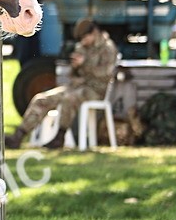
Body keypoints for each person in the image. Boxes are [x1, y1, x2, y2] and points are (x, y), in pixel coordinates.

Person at [7, 18, 118, 149]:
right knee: (41, 99)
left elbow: (105, 74)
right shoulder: (82, 47)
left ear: (93, 33)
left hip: (96, 91)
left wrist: (85, 64)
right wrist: (76, 66)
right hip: (76, 87)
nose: (82, 42)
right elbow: (73, 75)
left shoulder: (108, 48)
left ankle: (60, 136)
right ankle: (19, 135)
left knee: (68, 99)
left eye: (84, 38)